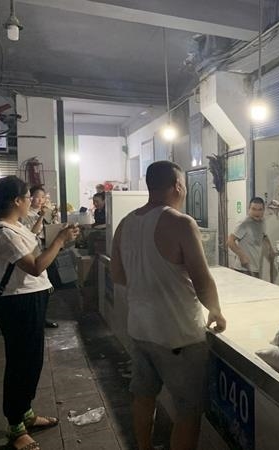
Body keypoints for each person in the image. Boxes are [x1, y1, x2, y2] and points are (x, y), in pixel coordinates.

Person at [110, 161, 226, 450]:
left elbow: (118, 275)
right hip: (178, 336)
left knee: (143, 396)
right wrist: (216, 310)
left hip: (140, 329)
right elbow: (201, 278)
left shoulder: (125, 223)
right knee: (188, 411)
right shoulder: (181, 222)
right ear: (178, 186)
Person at [0, 176, 79, 450]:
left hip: (31, 300)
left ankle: (25, 412)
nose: (32, 201)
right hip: (18, 304)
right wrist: (60, 240)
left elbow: (37, 251)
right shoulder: (4, 233)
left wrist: (59, 236)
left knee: (32, 361)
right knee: (20, 363)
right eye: (29, 197)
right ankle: (15, 426)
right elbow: (36, 266)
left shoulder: (16, 227)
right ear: (16, 201)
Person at [21, 186, 59, 329]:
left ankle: (42, 318)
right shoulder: (25, 215)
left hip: (44, 250)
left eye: (43, 197)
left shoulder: (43, 213)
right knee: (37, 287)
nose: (40, 200)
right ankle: (36, 320)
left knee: (47, 286)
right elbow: (32, 233)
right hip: (33, 253)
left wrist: (52, 217)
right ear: (30, 198)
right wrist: (42, 216)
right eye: (37, 197)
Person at [227, 197, 276, 278]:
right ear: (249, 209)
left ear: (263, 210)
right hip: (243, 269)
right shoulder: (244, 223)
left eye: (260, 209)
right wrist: (241, 255)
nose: (257, 212)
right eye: (254, 209)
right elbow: (230, 241)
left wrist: (270, 249)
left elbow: (264, 236)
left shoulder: (262, 222)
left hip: (255, 269)